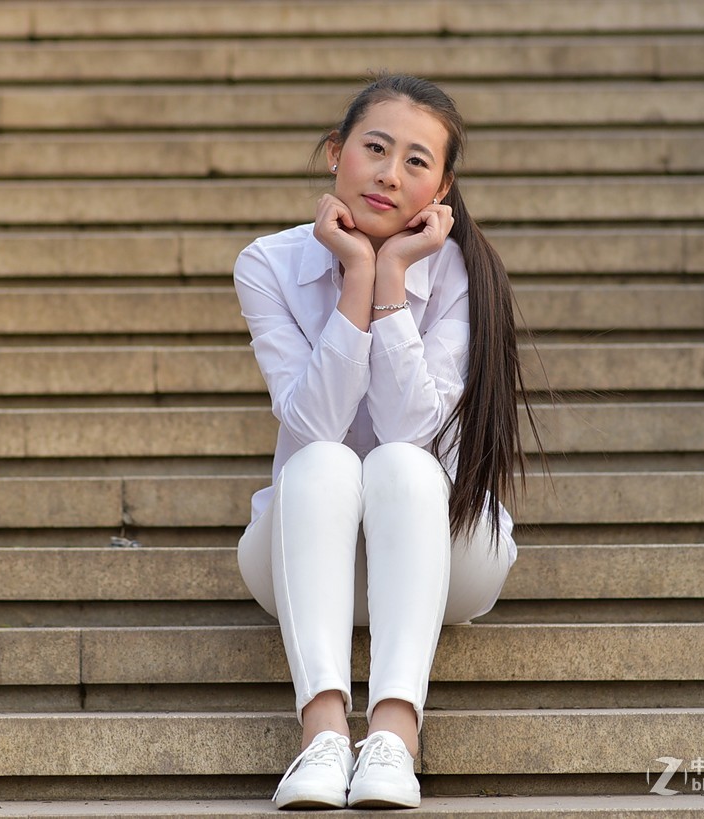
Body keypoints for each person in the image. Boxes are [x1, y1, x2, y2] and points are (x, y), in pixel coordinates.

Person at [232, 74, 543, 809]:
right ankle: (323, 733)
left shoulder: (463, 273)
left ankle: (395, 736)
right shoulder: (268, 265)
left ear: (442, 188)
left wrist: (392, 278)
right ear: (335, 153)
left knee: (401, 461)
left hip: (448, 553)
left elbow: (412, 432)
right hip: (304, 555)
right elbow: (311, 424)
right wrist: (355, 280)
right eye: (375, 148)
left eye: (415, 161)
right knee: (324, 459)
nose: (389, 173)